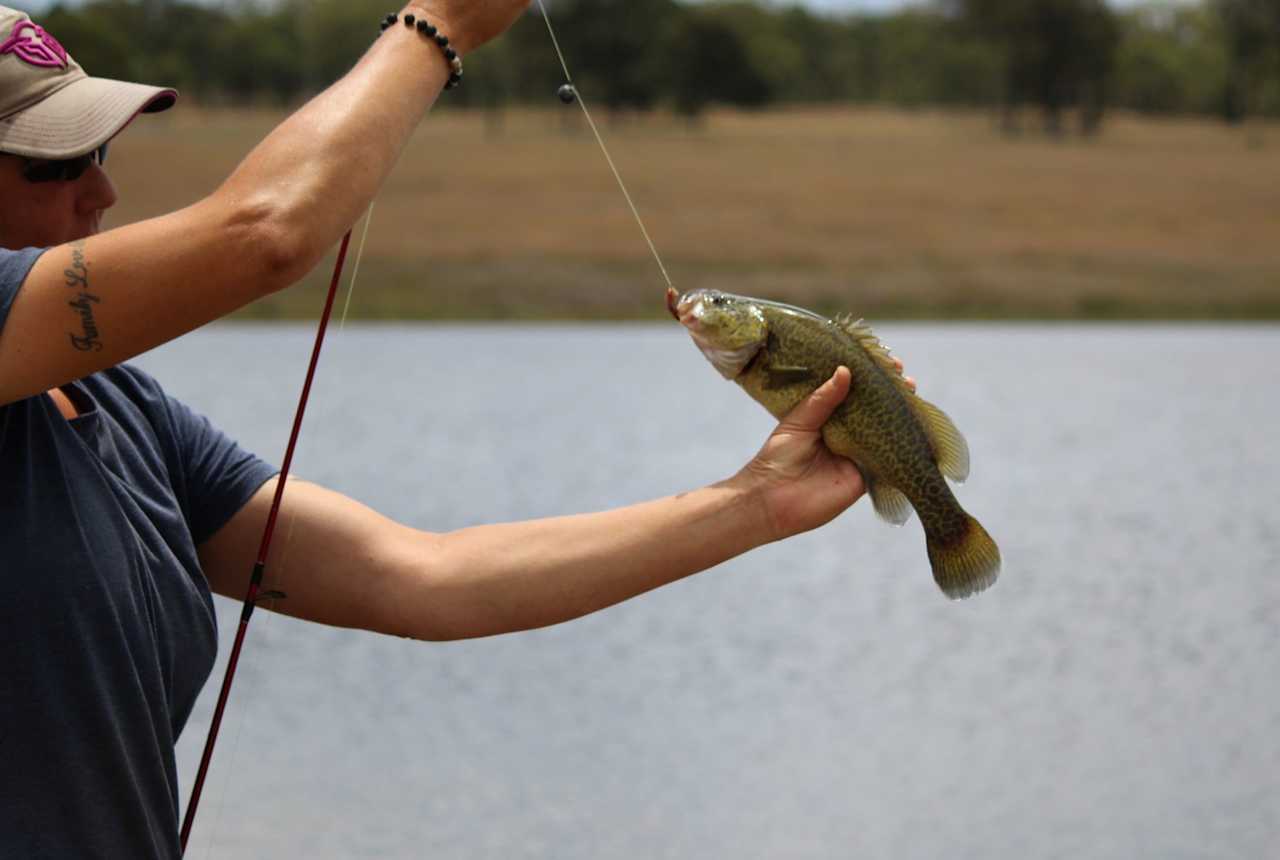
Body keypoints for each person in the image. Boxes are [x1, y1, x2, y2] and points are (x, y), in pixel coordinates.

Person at [0, 3, 907, 857]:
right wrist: (442, 23)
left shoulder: (119, 409)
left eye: (100, 152)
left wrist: (760, 502)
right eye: (54, 165)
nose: (103, 192)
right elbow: (268, 232)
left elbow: (423, 581)